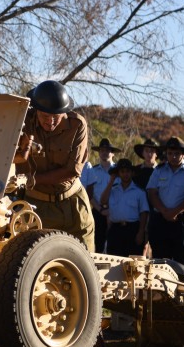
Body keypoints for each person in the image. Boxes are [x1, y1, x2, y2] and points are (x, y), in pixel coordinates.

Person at [14, 80, 94, 251]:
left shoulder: (77, 125)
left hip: (72, 206)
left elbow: (73, 170)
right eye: (45, 116)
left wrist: (33, 179)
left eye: (55, 117)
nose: (50, 122)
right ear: (36, 110)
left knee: (85, 263)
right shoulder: (22, 122)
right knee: (31, 263)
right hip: (35, 207)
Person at [146, 137, 184, 269]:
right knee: (159, 260)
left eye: (177, 153)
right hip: (161, 219)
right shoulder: (159, 169)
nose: (173, 156)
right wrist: (165, 212)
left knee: (183, 261)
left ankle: (183, 289)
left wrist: (174, 212)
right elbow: (152, 192)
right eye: (170, 153)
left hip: (183, 220)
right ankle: (160, 289)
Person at [98, 158, 149, 256]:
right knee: (114, 260)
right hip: (115, 230)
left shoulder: (139, 192)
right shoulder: (112, 190)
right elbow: (103, 201)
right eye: (122, 172)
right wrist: (111, 180)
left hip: (133, 229)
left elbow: (144, 213)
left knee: (133, 263)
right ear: (118, 173)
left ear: (132, 173)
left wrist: (141, 232)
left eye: (128, 171)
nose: (125, 174)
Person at [82, 138, 121, 253]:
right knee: (97, 244)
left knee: (115, 247)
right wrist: (100, 209)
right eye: (102, 150)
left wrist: (110, 210)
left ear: (112, 153)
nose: (104, 152)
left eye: (107, 150)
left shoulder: (120, 172)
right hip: (97, 212)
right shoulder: (92, 171)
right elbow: (89, 194)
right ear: (99, 152)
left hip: (115, 213)